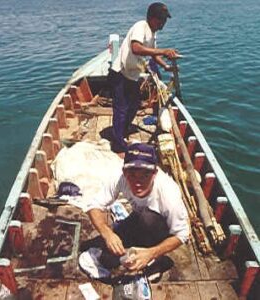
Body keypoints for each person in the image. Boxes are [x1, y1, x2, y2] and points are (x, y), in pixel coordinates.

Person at [84, 143, 189, 275]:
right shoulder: (119, 177)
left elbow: (182, 234)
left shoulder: (169, 193)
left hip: (160, 227)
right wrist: (107, 233)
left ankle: (156, 261)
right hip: (138, 216)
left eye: (145, 175)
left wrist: (150, 253)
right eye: (132, 175)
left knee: (148, 219)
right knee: (105, 256)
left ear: (155, 173)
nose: (138, 182)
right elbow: (93, 205)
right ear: (124, 172)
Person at [109, 2, 180, 153]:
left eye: (164, 20)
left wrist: (166, 66)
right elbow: (136, 48)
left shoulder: (153, 34)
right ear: (153, 18)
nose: (163, 23)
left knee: (134, 104)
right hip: (119, 73)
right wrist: (164, 51)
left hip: (132, 75)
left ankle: (122, 130)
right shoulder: (141, 26)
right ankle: (118, 145)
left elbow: (152, 53)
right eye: (161, 20)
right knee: (121, 108)